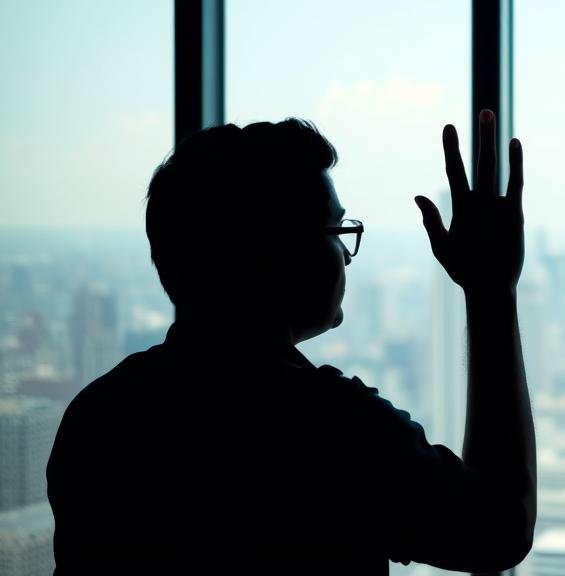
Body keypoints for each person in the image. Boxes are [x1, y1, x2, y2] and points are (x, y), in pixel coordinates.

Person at [46, 109, 536, 574]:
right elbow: (501, 526)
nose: (345, 255)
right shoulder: (333, 429)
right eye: (336, 229)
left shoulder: (99, 416)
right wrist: (491, 292)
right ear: (275, 254)